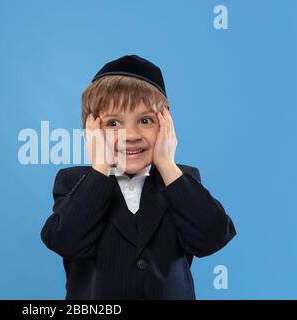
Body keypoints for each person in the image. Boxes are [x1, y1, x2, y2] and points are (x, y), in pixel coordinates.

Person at [40, 55, 236, 299]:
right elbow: (66, 242)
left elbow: (212, 238)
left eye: (145, 120)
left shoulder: (180, 181)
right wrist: (100, 167)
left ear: (166, 124)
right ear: (91, 129)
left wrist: (166, 163)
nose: (131, 135)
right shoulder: (73, 182)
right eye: (113, 123)